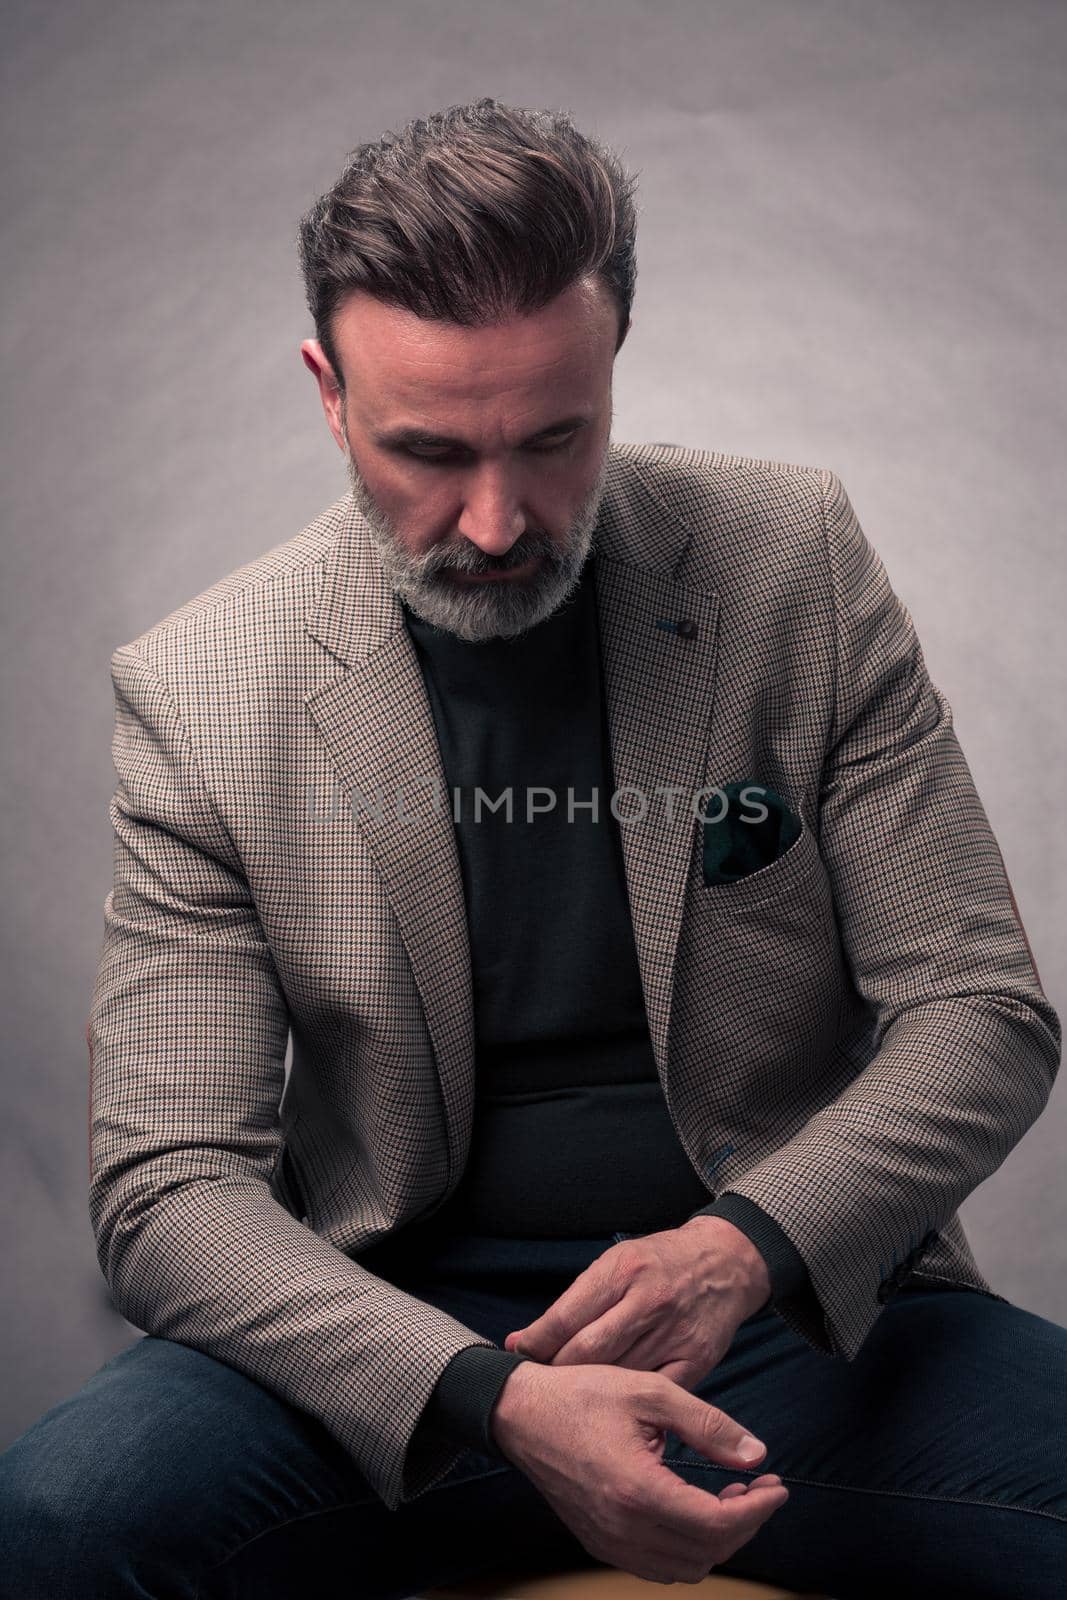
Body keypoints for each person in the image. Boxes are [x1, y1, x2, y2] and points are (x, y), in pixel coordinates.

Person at [0, 96, 1063, 1599]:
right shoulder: (201, 689)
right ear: (327, 392)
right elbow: (169, 1185)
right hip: (392, 1345)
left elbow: (984, 1014)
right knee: (60, 1520)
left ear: (611, 363)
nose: (497, 521)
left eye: (555, 441)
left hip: (779, 1321)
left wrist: (744, 1248)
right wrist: (484, 1396)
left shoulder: (791, 565)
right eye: (427, 450)